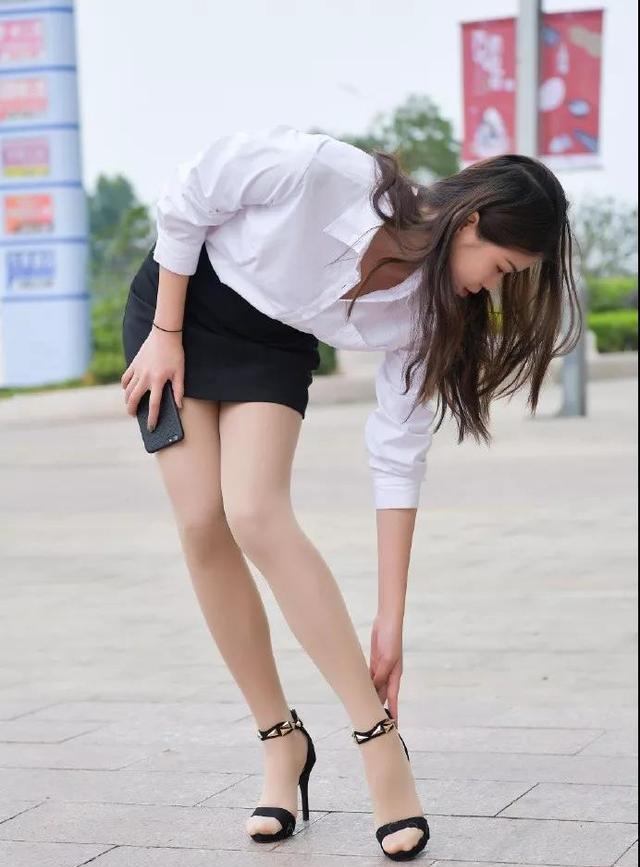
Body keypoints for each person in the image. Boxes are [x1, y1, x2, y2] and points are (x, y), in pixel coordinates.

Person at [120, 123, 582, 861]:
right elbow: (193, 192)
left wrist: (390, 619)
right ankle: (281, 741)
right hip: (179, 304)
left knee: (255, 513)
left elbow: (398, 454)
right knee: (203, 523)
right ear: (470, 220)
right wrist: (166, 332)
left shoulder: (427, 315)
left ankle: (378, 740)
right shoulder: (323, 173)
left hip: (272, 342)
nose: (492, 286)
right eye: (500, 266)